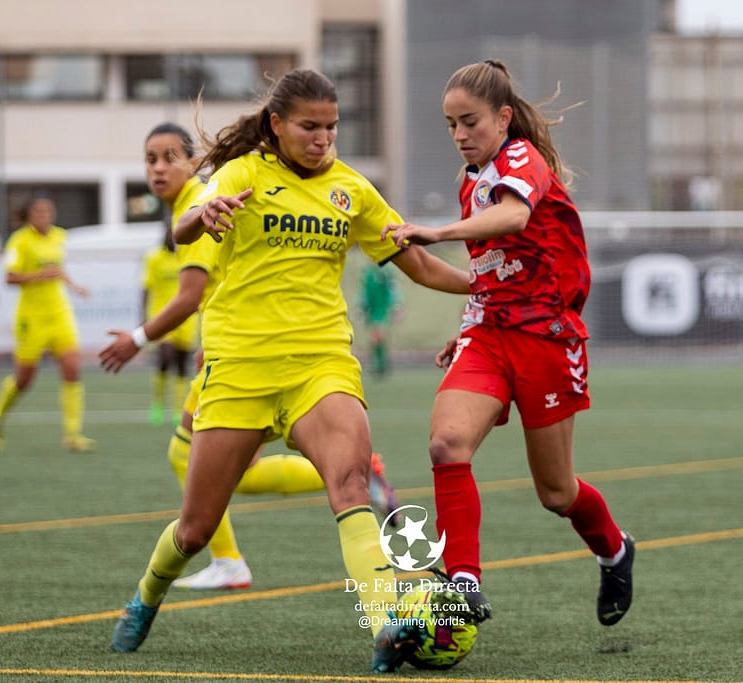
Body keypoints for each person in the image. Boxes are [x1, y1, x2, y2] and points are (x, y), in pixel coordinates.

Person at [107, 70, 470, 673]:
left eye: (331, 126)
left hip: (320, 363)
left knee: (350, 485)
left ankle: (385, 626)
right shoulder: (242, 174)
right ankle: (145, 598)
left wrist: (487, 287)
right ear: (277, 125)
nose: (323, 138)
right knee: (195, 531)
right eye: (309, 126)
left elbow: (422, 265)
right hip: (240, 369)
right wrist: (205, 212)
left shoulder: (352, 189)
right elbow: (181, 229)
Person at [382, 59, 636, 655]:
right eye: (449, 124)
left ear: (502, 117)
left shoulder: (523, 161)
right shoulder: (469, 179)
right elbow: (488, 269)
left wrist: (437, 231)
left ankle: (616, 550)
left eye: (469, 121)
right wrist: (467, 324)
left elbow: (516, 215)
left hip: (547, 339)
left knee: (556, 492)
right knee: (446, 445)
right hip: (491, 334)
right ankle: (462, 584)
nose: (459, 134)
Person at [100, 122, 400, 591]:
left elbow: (192, 293)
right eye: (150, 158)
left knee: (190, 456)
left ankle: (228, 560)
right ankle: (362, 479)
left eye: (170, 157)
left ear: (193, 160)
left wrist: (136, 339)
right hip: (231, 348)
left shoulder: (204, 199)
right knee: (232, 468)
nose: (159, 168)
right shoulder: (208, 195)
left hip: (242, 354)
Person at [0, 195, 94, 453]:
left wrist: (75, 287)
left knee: (72, 367)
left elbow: (57, 269)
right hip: (31, 318)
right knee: (24, 380)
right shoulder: (19, 241)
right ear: (29, 215)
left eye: (48, 211)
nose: (45, 216)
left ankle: (73, 434)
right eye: (39, 212)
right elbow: (9, 277)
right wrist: (37, 275)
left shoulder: (59, 236)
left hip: (59, 312)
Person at [140, 225, 197, 426]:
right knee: (166, 357)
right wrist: (143, 318)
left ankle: (176, 409)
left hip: (186, 318)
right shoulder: (154, 258)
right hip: (162, 314)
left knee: (182, 363)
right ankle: (158, 402)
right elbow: (146, 288)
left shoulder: (188, 256)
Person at [358, 260, 402, 377]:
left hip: (383, 309)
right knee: (374, 338)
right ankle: (378, 363)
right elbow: (365, 293)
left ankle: (382, 364)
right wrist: (361, 308)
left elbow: (393, 290)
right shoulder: (368, 273)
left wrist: (395, 307)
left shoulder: (386, 272)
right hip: (372, 310)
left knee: (379, 336)